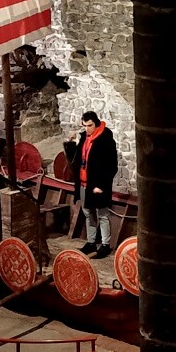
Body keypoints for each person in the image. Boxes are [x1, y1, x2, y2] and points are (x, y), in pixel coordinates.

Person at [64, 110, 118, 259]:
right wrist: (70, 142)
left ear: (96, 123)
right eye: (84, 126)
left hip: (98, 185)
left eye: (89, 125)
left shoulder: (106, 140)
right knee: (88, 213)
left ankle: (105, 244)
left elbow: (111, 166)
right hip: (84, 183)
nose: (87, 129)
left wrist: (102, 185)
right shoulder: (84, 138)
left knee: (102, 214)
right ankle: (91, 242)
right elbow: (76, 158)